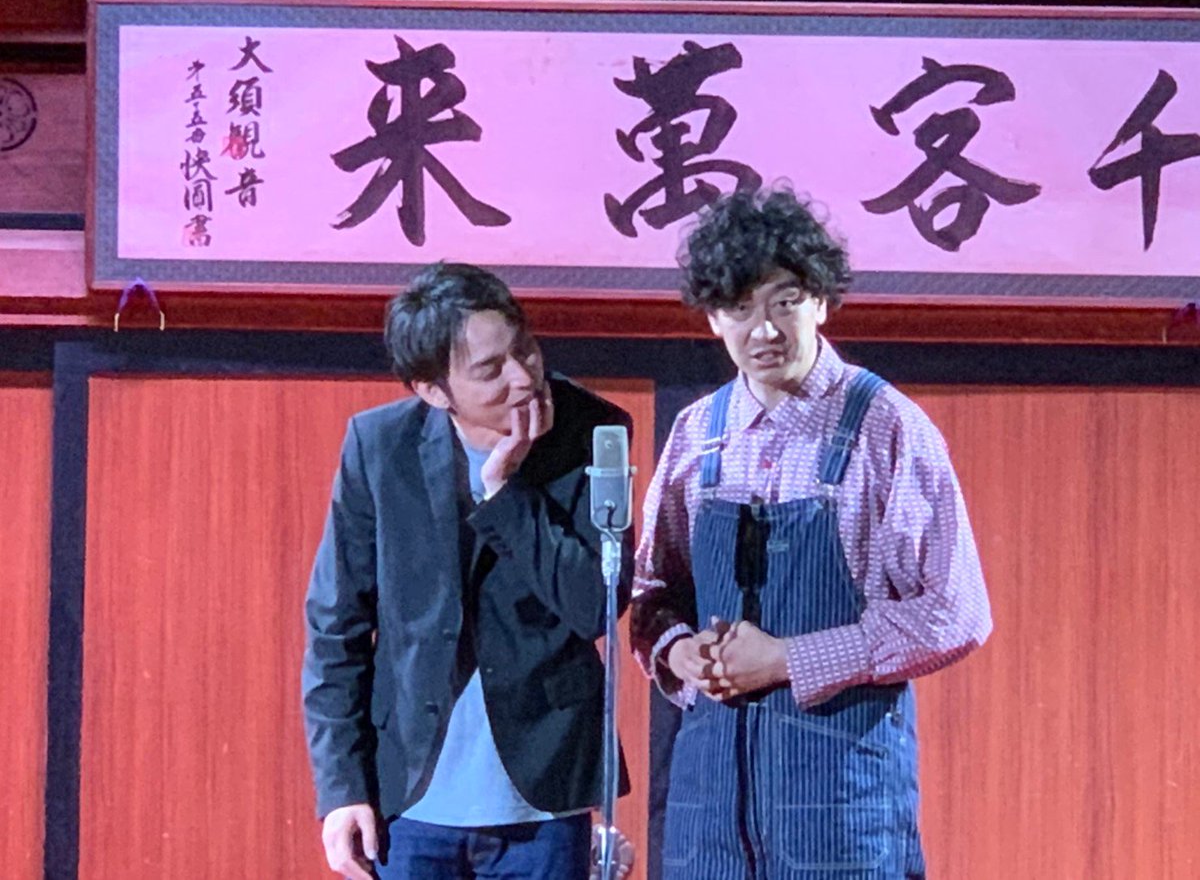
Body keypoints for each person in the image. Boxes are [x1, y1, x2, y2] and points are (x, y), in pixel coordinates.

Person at [630, 188, 992, 879]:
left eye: (785, 301)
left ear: (821, 301)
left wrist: (788, 659)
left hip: (840, 806)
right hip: (709, 810)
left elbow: (955, 613)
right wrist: (680, 653)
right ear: (713, 318)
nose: (764, 330)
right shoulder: (698, 434)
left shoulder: (885, 426)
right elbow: (653, 593)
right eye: (740, 308)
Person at [302, 263, 631, 880]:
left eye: (525, 350)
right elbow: (336, 625)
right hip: (412, 797)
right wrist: (341, 788)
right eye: (490, 369)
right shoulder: (380, 447)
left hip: (545, 796)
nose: (523, 378)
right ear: (433, 390)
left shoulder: (592, 430)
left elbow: (594, 604)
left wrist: (505, 492)